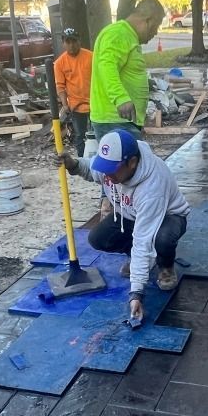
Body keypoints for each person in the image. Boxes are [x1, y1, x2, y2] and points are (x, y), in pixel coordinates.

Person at [56, 129, 189, 322]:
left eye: (112, 170)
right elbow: (90, 168)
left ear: (132, 162)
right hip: (130, 214)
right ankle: (135, 257)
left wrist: (136, 294)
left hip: (169, 217)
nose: (106, 176)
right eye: (105, 168)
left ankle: (165, 265)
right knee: (97, 238)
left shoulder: (152, 188)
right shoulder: (110, 167)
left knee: (161, 239)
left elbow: (143, 240)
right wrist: (73, 165)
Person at [90, 0, 164, 217]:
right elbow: (107, 65)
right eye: (156, 26)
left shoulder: (126, 36)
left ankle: (116, 216)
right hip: (115, 118)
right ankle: (124, 222)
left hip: (122, 120)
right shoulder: (119, 33)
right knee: (126, 174)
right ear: (148, 20)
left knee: (119, 174)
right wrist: (120, 97)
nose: (154, 34)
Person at [54, 27, 93, 157]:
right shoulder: (59, 63)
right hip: (76, 106)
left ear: (79, 41)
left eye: (74, 41)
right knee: (80, 135)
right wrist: (65, 105)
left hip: (95, 103)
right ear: (63, 43)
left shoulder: (90, 56)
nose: (71, 45)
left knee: (97, 134)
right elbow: (60, 87)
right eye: (68, 42)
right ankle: (82, 162)